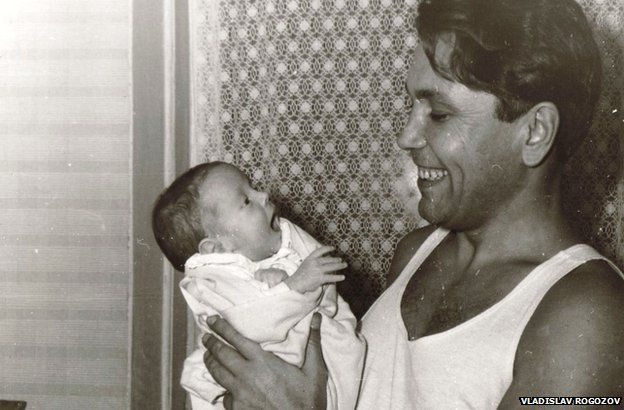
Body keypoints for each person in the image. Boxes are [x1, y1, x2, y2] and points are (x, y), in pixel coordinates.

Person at [200, 0, 624, 408]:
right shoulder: (416, 253)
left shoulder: (589, 317)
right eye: (412, 105)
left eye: (438, 114)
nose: (407, 136)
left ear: (534, 132)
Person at [152, 162, 365, 409]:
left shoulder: (278, 243)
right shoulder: (211, 281)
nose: (263, 195)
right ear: (217, 248)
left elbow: (317, 266)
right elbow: (246, 324)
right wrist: (294, 286)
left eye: (253, 187)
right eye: (246, 201)